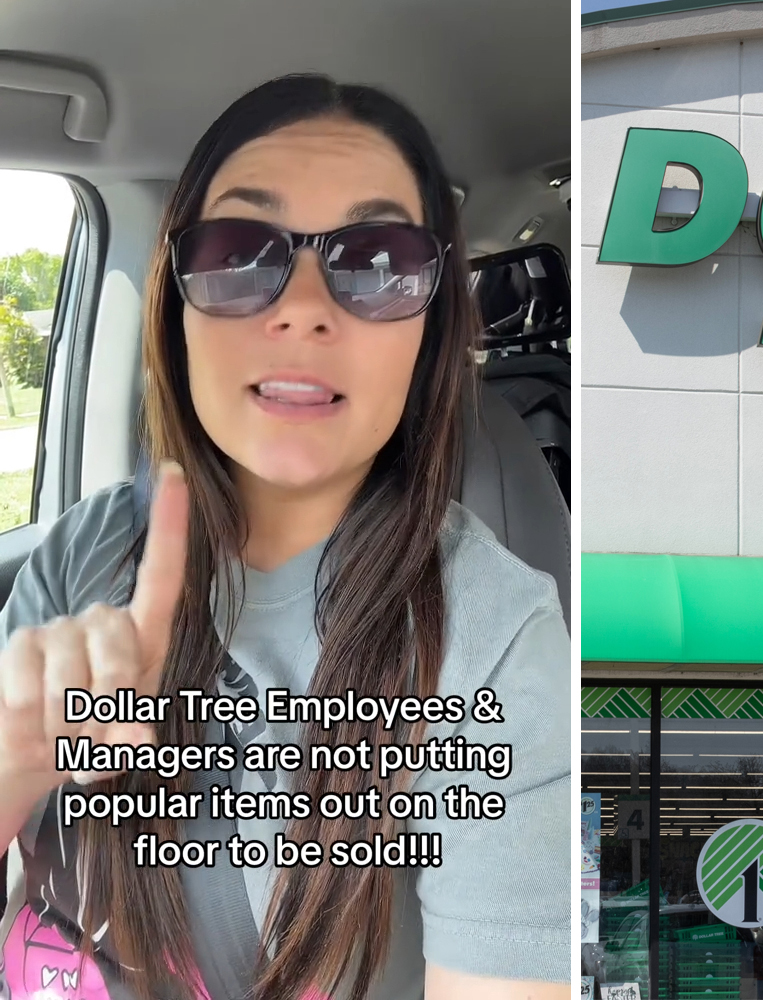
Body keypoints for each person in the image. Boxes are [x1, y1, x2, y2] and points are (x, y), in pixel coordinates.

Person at [0, 76, 567, 999]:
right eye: (237, 251)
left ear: (431, 330)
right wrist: (16, 758)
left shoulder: (494, 642)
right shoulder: (84, 554)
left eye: (378, 261)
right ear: (175, 307)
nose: (303, 307)